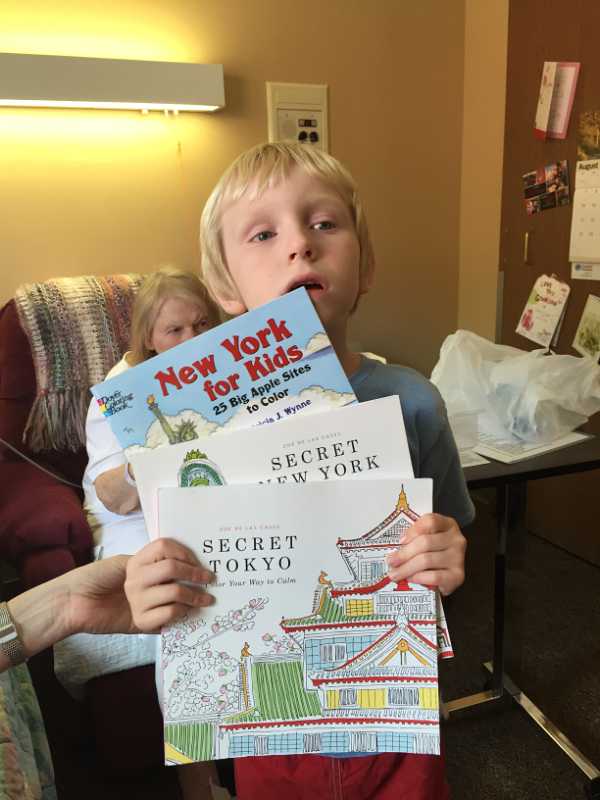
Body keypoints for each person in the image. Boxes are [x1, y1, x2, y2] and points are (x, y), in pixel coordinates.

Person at [126, 141, 475, 800]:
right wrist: (149, 589)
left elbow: (452, 546)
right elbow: (177, 564)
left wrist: (446, 556)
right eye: (264, 234)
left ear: (365, 265)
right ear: (224, 287)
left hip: (395, 722)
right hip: (270, 729)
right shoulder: (197, 429)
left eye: (324, 223)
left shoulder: (414, 401)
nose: (300, 245)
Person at [83, 265, 221, 557]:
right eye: (175, 330)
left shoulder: (223, 365)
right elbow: (113, 498)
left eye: (202, 324)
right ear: (148, 339)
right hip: (133, 517)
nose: (193, 340)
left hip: (202, 498)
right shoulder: (119, 390)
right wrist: (150, 459)